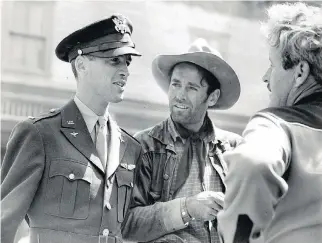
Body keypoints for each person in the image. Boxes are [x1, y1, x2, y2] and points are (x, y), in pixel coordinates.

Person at [1, 14, 142, 243]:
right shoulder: (40, 135)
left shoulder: (130, 147)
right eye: (114, 60)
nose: (125, 70)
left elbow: (127, 224)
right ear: (81, 65)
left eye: (127, 61)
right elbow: (3, 224)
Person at [217, 3, 322, 243]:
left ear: (300, 73)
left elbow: (252, 163)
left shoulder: (275, 124)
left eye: (272, 65)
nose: (265, 77)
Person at [122, 38, 242, 243]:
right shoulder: (143, 145)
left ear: (212, 98)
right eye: (175, 84)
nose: (179, 95)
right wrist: (187, 208)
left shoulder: (234, 148)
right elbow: (127, 224)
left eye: (191, 88)